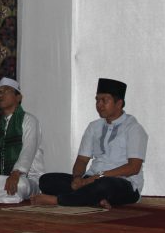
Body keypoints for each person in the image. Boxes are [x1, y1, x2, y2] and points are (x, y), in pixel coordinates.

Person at [33, 78, 148, 209]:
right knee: (46, 180)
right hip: (91, 180)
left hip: (123, 183)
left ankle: (58, 200)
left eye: (104, 100)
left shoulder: (134, 128)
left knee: (104, 185)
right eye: (97, 100)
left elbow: (133, 168)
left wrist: (98, 177)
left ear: (119, 103)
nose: (99, 105)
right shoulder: (94, 127)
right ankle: (94, 200)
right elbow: (82, 160)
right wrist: (77, 178)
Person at [0, 77, 44, 203]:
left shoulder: (30, 121)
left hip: (25, 178)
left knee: (21, 185)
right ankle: (3, 195)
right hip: (0, 179)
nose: (0, 95)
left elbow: (28, 151)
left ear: (18, 97)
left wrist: (16, 173)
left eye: (6, 90)